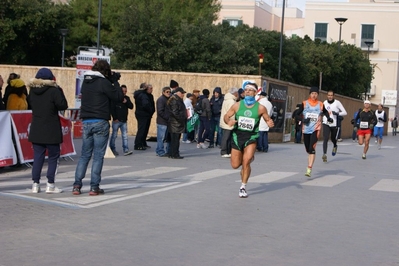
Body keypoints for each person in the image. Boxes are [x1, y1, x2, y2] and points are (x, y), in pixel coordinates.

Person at [73, 60, 123, 196]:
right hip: (100, 120)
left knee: (84, 155)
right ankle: (94, 187)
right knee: (98, 156)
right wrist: (115, 82)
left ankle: (77, 185)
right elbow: (118, 97)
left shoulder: (86, 82)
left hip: (86, 121)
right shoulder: (104, 82)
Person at [223, 82, 274, 198]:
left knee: (246, 162)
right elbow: (226, 116)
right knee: (235, 165)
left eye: (250, 90)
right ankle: (247, 159)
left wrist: (270, 123)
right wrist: (228, 121)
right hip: (237, 136)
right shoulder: (237, 105)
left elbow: (267, 119)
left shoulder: (261, 107)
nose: (247, 92)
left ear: (255, 92)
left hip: (251, 137)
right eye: (246, 90)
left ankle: (243, 187)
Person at [27, 68, 68, 193]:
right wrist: (60, 91)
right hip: (51, 129)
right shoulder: (54, 91)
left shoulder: (32, 92)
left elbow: (29, 105)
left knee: (37, 157)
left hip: (36, 128)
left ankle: (35, 184)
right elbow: (63, 105)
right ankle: (50, 184)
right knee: (53, 157)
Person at [297, 86, 332, 178]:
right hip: (306, 129)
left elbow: (326, 112)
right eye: (312, 93)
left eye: (316, 93)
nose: (314, 95)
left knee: (312, 148)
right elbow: (295, 114)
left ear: (318, 95)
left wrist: (329, 118)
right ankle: (310, 158)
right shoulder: (304, 103)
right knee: (308, 149)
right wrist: (303, 120)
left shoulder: (320, 104)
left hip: (315, 129)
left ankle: (309, 168)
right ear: (310, 94)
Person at [321, 90, 347, 162]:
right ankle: (324, 154)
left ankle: (335, 145)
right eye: (329, 95)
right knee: (325, 138)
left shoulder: (337, 103)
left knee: (333, 138)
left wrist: (337, 113)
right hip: (326, 122)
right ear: (327, 96)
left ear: (333, 96)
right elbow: (322, 111)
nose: (330, 97)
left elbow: (345, 112)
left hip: (334, 124)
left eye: (331, 95)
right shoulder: (324, 103)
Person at [110, 84, 134, 156]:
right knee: (114, 136)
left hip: (124, 120)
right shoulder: (115, 98)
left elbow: (131, 106)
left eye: (125, 91)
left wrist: (126, 102)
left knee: (125, 136)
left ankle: (126, 149)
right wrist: (114, 118)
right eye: (123, 91)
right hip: (116, 120)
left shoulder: (126, 98)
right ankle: (112, 149)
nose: (124, 92)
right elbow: (112, 108)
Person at [166, 87, 187, 159]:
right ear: (178, 92)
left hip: (176, 123)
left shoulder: (177, 99)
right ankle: (174, 154)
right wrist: (181, 119)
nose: (183, 95)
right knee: (175, 140)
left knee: (175, 140)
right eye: (182, 93)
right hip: (175, 123)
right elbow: (175, 112)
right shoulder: (175, 100)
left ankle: (172, 153)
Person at [133, 83, 155, 150]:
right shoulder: (143, 95)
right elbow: (145, 105)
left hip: (146, 114)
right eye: (150, 88)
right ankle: (138, 144)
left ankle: (143, 142)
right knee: (142, 129)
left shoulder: (149, 95)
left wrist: (152, 111)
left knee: (145, 129)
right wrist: (150, 110)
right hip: (142, 114)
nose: (152, 90)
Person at [219, 87, 239, 158]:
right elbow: (232, 113)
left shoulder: (226, 99)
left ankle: (227, 151)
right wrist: (233, 121)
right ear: (235, 93)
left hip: (225, 120)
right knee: (226, 137)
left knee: (227, 137)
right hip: (229, 121)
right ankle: (224, 151)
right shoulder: (231, 101)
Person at [155, 86, 171, 157]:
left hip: (168, 122)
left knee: (167, 138)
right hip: (162, 122)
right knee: (161, 138)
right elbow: (160, 111)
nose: (169, 93)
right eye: (167, 92)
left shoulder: (169, 99)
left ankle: (167, 150)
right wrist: (167, 117)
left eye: (169, 92)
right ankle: (160, 151)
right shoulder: (161, 100)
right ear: (163, 92)